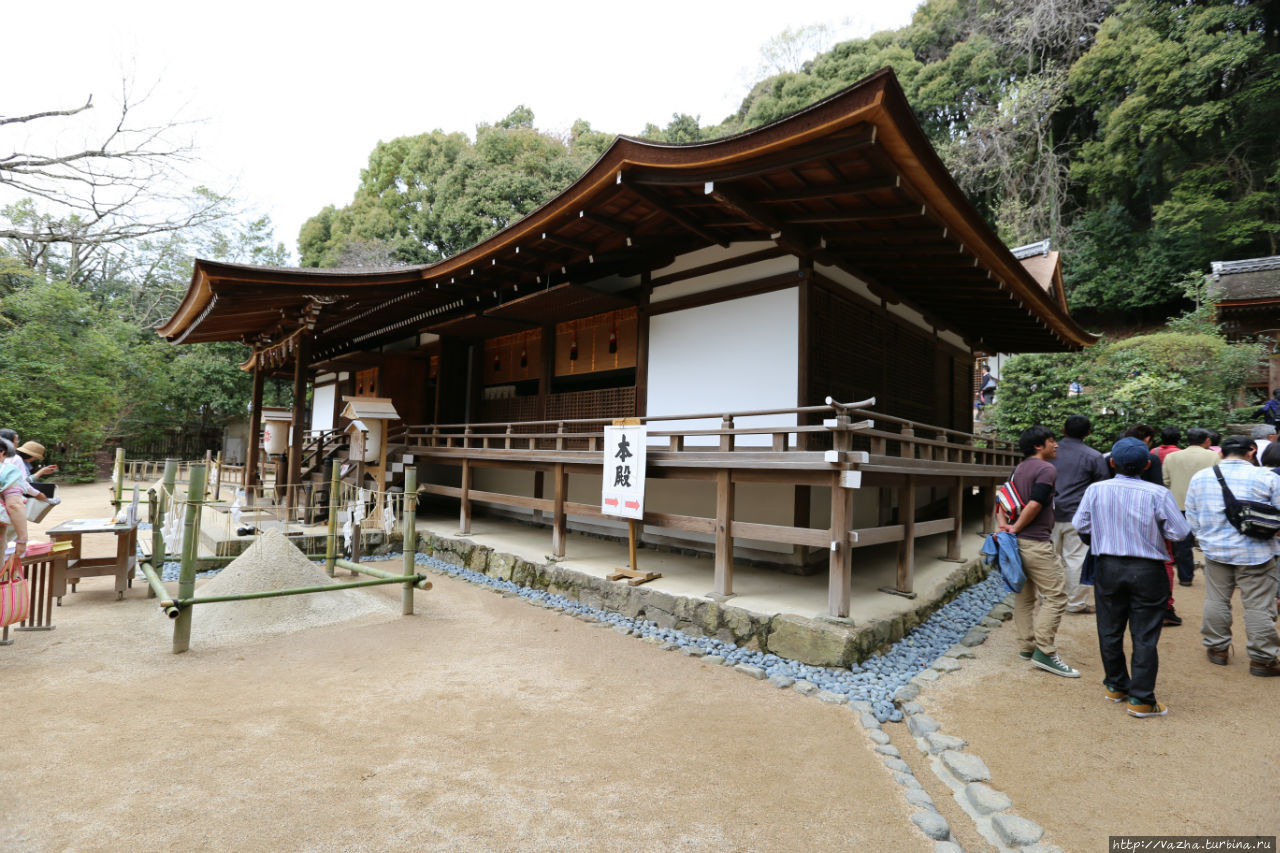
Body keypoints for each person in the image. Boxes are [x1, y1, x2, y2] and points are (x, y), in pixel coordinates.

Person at [1073, 437, 1191, 718]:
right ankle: (1140, 699)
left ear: (1112, 462)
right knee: (1145, 634)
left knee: (1109, 629)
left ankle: (1115, 685)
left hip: (1108, 567)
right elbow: (1180, 532)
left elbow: (1080, 524)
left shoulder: (1096, 490)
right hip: (1148, 570)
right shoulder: (1157, 493)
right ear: (1147, 464)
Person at [1184, 435, 1280, 677]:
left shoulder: (1201, 477)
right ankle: (1262, 659)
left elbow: (1192, 516)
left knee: (1216, 600)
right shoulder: (1267, 477)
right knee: (1259, 605)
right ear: (1252, 451)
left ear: (1220, 453)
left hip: (1216, 552)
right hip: (1258, 552)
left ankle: (1217, 649)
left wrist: (1206, 540)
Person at [999, 425, 1080, 677]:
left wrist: (1005, 526)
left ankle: (1026, 646)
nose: (1056, 445)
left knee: (1024, 597)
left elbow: (1001, 498)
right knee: (1056, 596)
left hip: (1016, 545)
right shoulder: (1046, 469)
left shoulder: (1019, 468)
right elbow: (1035, 503)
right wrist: (1015, 527)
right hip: (1034, 541)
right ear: (1038, 446)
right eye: (1051, 441)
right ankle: (1045, 652)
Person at [1051, 415, 1109, 614]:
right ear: (1088, 433)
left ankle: (1047, 599)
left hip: (1046, 512)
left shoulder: (1049, 451)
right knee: (1076, 558)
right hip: (1078, 514)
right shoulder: (1093, 456)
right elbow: (1101, 486)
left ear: (1063, 429)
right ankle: (1075, 603)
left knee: (1049, 557)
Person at [1163, 428, 1220, 586]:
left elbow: (1166, 481)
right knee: (1211, 541)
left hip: (1179, 504)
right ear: (1207, 440)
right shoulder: (1214, 456)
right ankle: (1215, 576)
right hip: (1206, 505)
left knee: (1183, 544)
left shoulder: (1172, 457)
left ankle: (1185, 577)